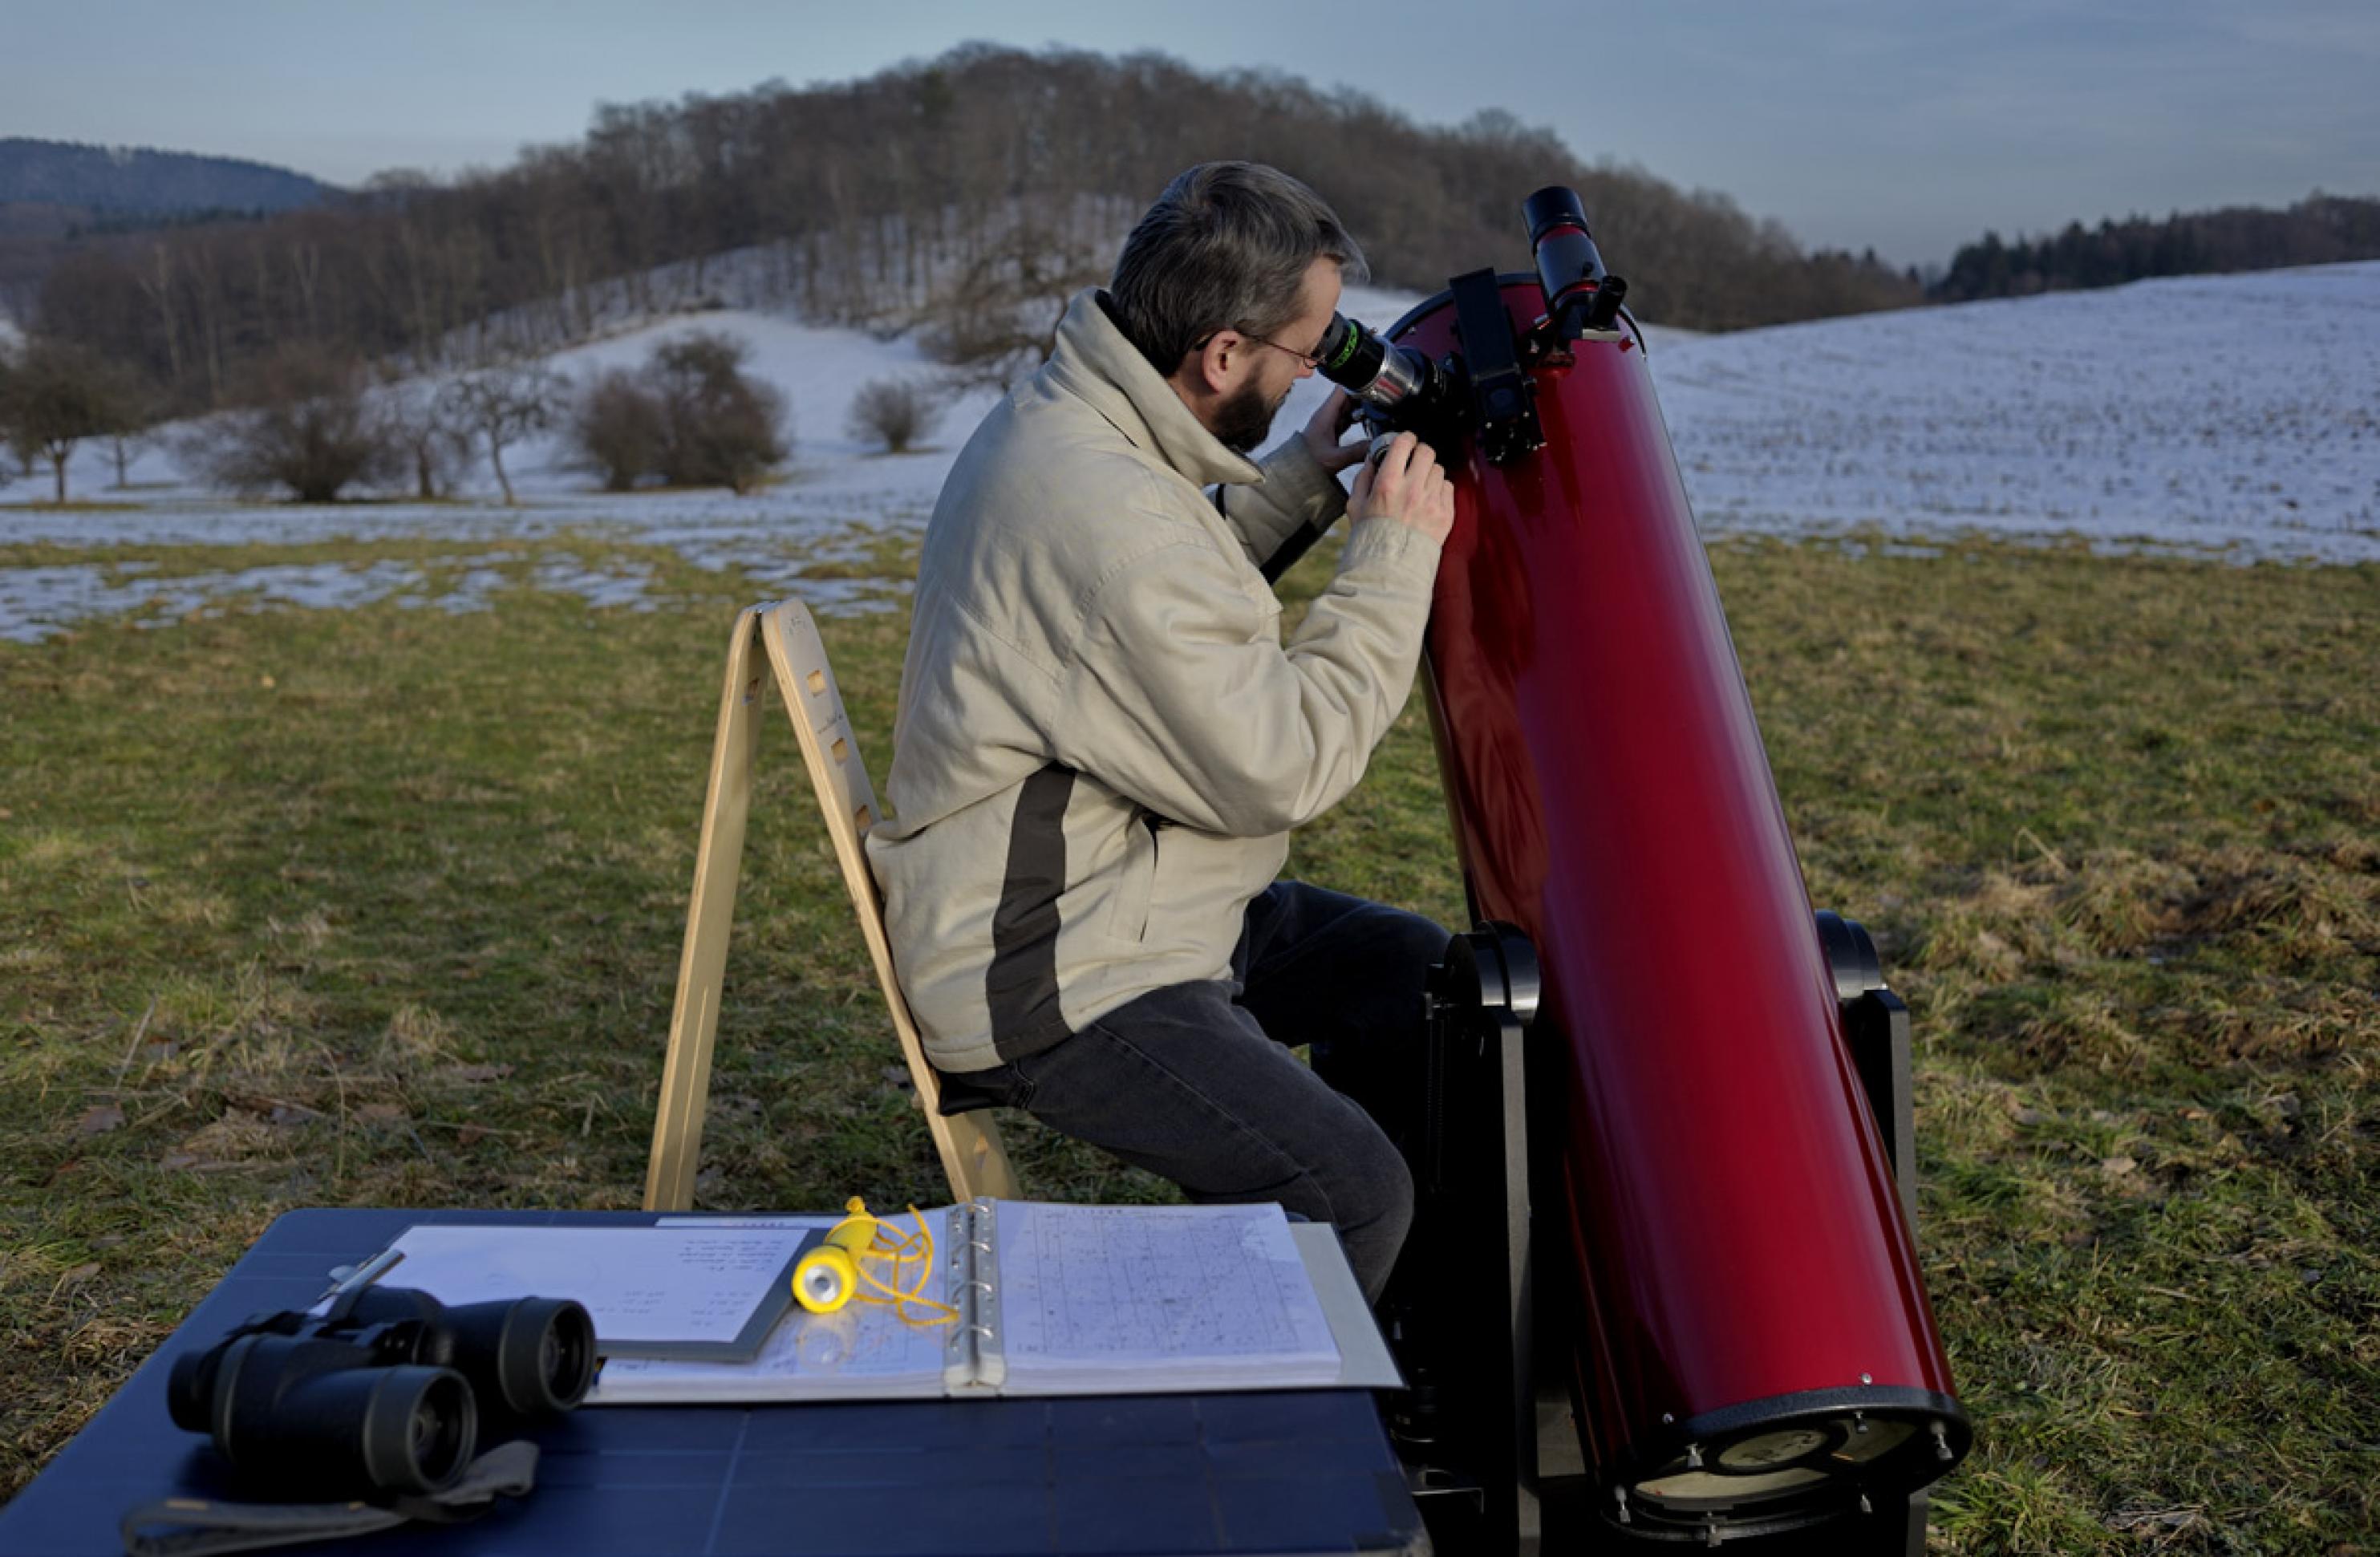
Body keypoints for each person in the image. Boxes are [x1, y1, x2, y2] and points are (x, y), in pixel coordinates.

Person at [865, 161, 1455, 1303]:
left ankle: (1393, 1345)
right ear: (1222, 356)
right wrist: (1394, 556)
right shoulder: (1107, 513)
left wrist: (1303, 480)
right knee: (1351, 1190)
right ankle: (1264, 1450)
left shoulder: (1081, 419)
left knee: (1415, 979)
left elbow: (1155, 596)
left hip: (1128, 888)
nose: (1323, 368)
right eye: (1311, 347)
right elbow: (1280, 762)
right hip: (1052, 967)